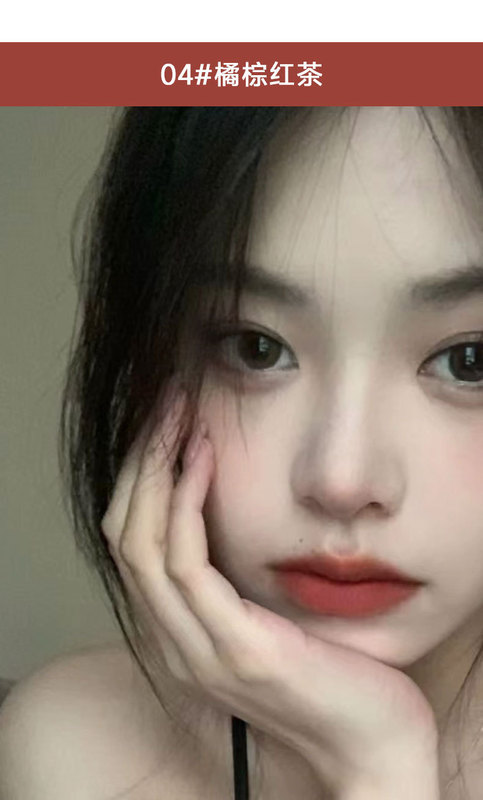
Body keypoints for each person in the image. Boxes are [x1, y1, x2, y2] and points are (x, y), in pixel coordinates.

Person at [2, 106, 483, 800]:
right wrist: (378, 757)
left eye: (468, 362)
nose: (341, 479)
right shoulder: (75, 754)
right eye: (255, 348)